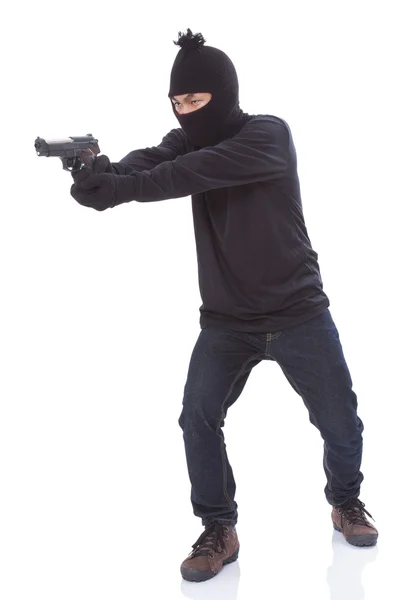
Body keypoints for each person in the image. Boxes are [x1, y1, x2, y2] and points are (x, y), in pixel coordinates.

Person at [70, 28, 378, 583]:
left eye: (197, 101)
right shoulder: (185, 140)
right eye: (178, 103)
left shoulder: (267, 136)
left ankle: (346, 500)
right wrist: (101, 173)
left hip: (298, 311)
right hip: (226, 320)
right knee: (198, 419)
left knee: (340, 422)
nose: (187, 113)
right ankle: (219, 527)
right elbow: (153, 159)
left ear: (226, 95)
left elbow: (184, 173)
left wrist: (120, 188)